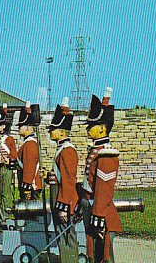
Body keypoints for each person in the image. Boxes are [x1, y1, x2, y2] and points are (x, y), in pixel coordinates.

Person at [76, 87, 122, 263]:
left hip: (100, 211)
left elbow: (103, 190)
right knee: (93, 254)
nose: (88, 128)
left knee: (103, 256)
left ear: (102, 128)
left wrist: (99, 215)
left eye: (92, 126)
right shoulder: (96, 150)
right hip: (91, 207)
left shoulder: (106, 154)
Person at [47, 97, 79, 263]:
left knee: (67, 238)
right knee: (63, 237)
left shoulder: (67, 151)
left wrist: (63, 207)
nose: (50, 132)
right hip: (59, 198)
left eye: (53, 129)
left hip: (63, 201)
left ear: (61, 132)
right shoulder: (62, 149)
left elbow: (68, 182)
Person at [17, 102, 42, 201]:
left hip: (31, 186)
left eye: (21, 126)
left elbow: (29, 166)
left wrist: (26, 187)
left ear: (27, 128)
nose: (19, 128)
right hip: (30, 184)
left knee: (32, 212)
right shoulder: (29, 143)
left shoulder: (29, 144)